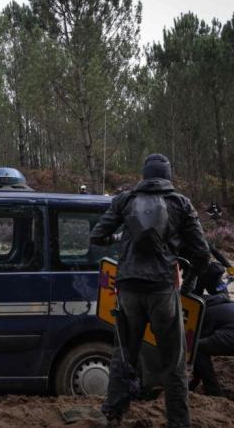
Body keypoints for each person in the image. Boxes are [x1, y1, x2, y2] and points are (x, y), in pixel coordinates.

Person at [90, 153, 209, 427]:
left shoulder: (125, 200)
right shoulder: (180, 202)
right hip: (163, 289)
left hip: (128, 287)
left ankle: (114, 415)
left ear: (144, 175)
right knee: (173, 362)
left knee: (123, 354)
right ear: (168, 176)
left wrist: (121, 238)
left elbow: (97, 236)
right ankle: (178, 423)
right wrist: (187, 284)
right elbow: (202, 253)